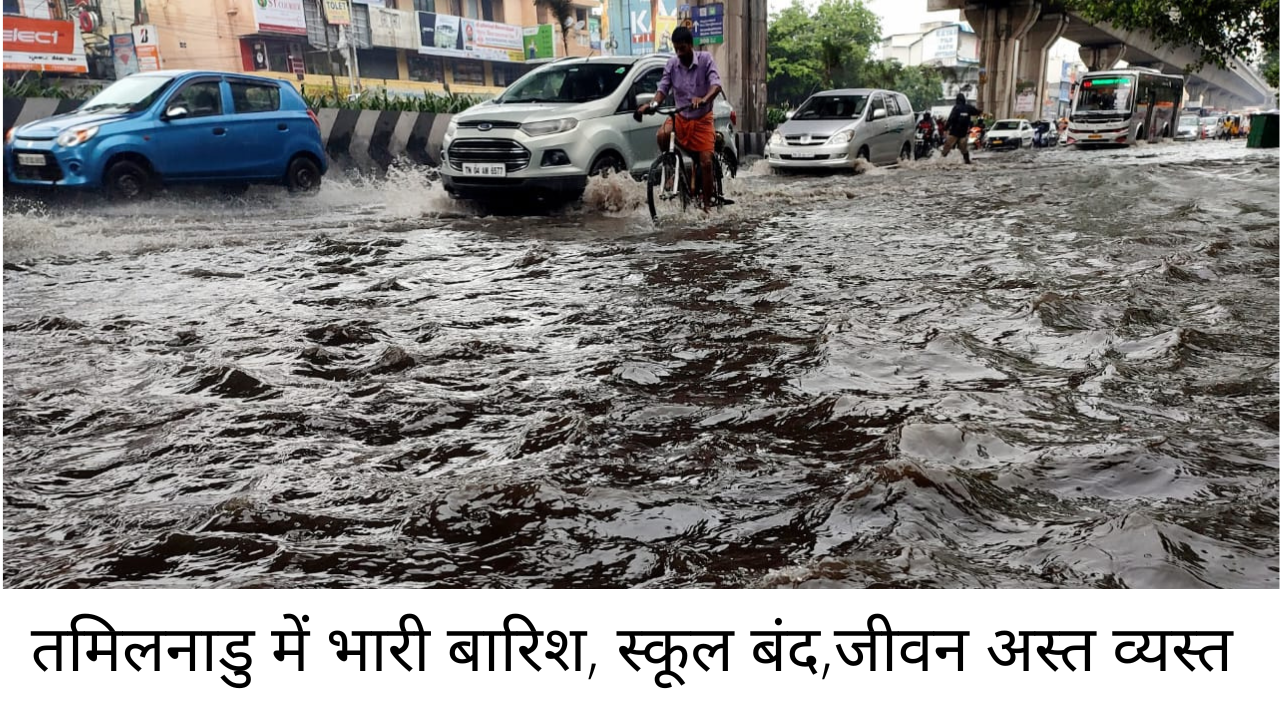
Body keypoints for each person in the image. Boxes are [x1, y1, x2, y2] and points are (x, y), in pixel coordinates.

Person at [635, 26, 723, 209]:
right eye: (676, 49)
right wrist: (652, 105)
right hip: (681, 117)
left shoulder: (706, 60)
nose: (679, 53)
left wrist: (704, 99)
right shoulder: (672, 64)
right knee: (662, 135)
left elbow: (716, 85)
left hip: (702, 119)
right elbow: (662, 90)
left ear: (691, 45)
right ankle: (673, 170)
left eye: (682, 48)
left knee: (706, 163)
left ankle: (707, 207)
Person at [941, 93, 982, 164]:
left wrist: (946, 128)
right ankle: (967, 162)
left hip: (954, 133)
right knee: (964, 150)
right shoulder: (968, 107)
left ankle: (940, 161)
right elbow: (977, 112)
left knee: (946, 149)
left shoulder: (956, 108)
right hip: (963, 133)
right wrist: (980, 111)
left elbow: (951, 119)